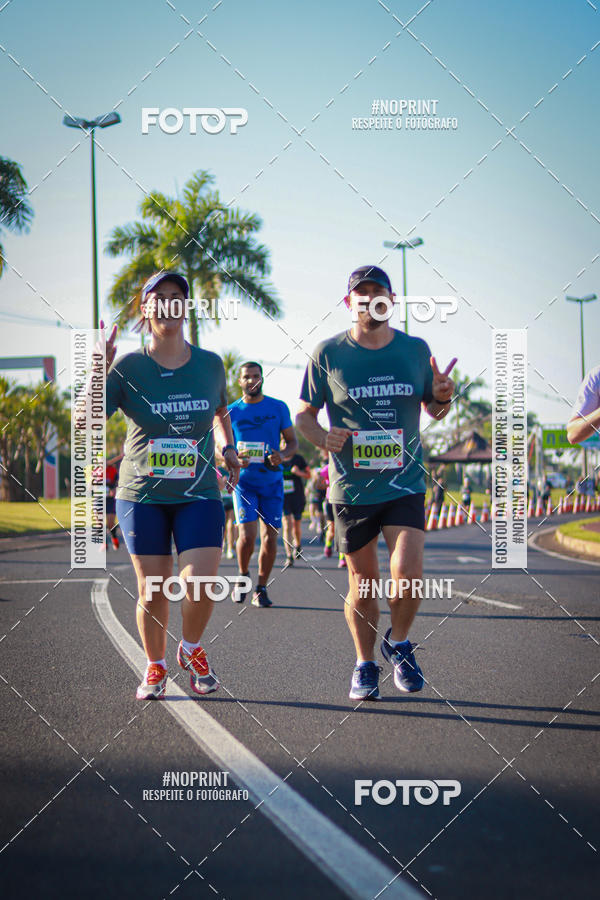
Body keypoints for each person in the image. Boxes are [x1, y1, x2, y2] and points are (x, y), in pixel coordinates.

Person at [297, 265, 455, 701]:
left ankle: (400, 643)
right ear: (349, 302)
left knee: (408, 574)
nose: (369, 300)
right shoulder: (328, 353)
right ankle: (365, 663)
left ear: (391, 299)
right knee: (363, 585)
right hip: (352, 488)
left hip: (404, 482)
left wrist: (442, 394)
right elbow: (304, 416)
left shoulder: (414, 350)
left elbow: (435, 410)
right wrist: (321, 437)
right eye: (360, 294)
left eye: (377, 292)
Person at [101, 271, 240, 700]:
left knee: (200, 582)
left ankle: (191, 648)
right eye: (158, 298)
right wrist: (97, 368)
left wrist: (228, 448)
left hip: (198, 492)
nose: (168, 304)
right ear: (146, 309)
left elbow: (220, 412)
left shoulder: (210, 364)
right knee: (154, 587)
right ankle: (156, 666)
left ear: (185, 306)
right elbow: (87, 420)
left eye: (176, 296)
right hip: (142, 494)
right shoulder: (128, 366)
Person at [227, 362, 298, 607]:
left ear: (262, 378)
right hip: (244, 483)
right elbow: (218, 450)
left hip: (272, 483)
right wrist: (233, 458)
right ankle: (243, 574)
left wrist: (283, 455)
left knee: (270, 537)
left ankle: (261, 587)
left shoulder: (278, 407)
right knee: (247, 537)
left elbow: (292, 443)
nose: (252, 380)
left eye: (256, 376)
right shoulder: (231, 411)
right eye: (246, 377)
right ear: (240, 381)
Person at [282, 452, 311, 565]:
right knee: (287, 524)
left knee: (296, 525)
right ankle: (289, 555)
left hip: (297, 496)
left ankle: (297, 545)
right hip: (283, 497)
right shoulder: (276, 458)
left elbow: (309, 475)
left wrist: (298, 472)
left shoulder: (299, 459)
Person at [217, 466, 237, 558]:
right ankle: (221, 545)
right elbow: (217, 487)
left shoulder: (233, 469)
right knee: (222, 525)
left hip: (231, 499)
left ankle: (230, 548)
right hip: (221, 500)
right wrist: (222, 482)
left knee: (231, 525)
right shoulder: (218, 469)